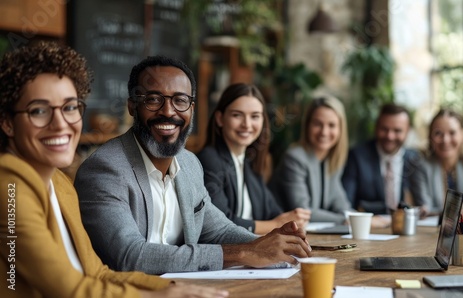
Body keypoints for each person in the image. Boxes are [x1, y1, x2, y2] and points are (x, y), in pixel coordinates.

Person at [0, 42, 228, 298]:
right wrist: (155, 297)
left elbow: (97, 273)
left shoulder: (60, 183)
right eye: (39, 111)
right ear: (8, 123)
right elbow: (67, 289)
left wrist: (172, 288)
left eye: (69, 107)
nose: (60, 124)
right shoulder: (9, 187)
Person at [74, 56, 312, 275]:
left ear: (192, 109)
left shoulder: (189, 164)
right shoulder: (105, 170)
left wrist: (270, 244)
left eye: (180, 100)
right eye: (154, 99)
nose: (168, 112)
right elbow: (130, 257)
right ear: (132, 106)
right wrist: (244, 252)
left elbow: (218, 231)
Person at [197, 83, 311, 234]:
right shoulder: (209, 159)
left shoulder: (248, 162)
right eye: (237, 115)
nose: (247, 124)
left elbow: (273, 212)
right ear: (220, 119)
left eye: (255, 116)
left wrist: (292, 219)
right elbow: (220, 222)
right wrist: (275, 224)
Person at [268, 94, 353, 224]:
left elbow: (341, 205)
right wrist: (347, 220)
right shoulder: (295, 158)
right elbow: (303, 212)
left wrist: (362, 218)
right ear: (307, 125)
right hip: (281, 235)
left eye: (331, 125)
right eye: (318, 124)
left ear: (341, 129)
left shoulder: (332, 160)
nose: (324, 132)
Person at [341, 103, 421, 226]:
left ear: (407, 131)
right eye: (384, 129)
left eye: (397, 130)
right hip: (369, 229)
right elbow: (346, 202)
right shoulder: (357, 156)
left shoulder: (415, 159)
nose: (390, 136)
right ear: (376, 127)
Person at [410, 108, 463, 219]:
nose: (445, 140)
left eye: (452, 132)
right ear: (430, 137)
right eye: (438, 133)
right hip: (433, 233)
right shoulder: (420, 165)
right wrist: (458, 213)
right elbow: (425, 209)